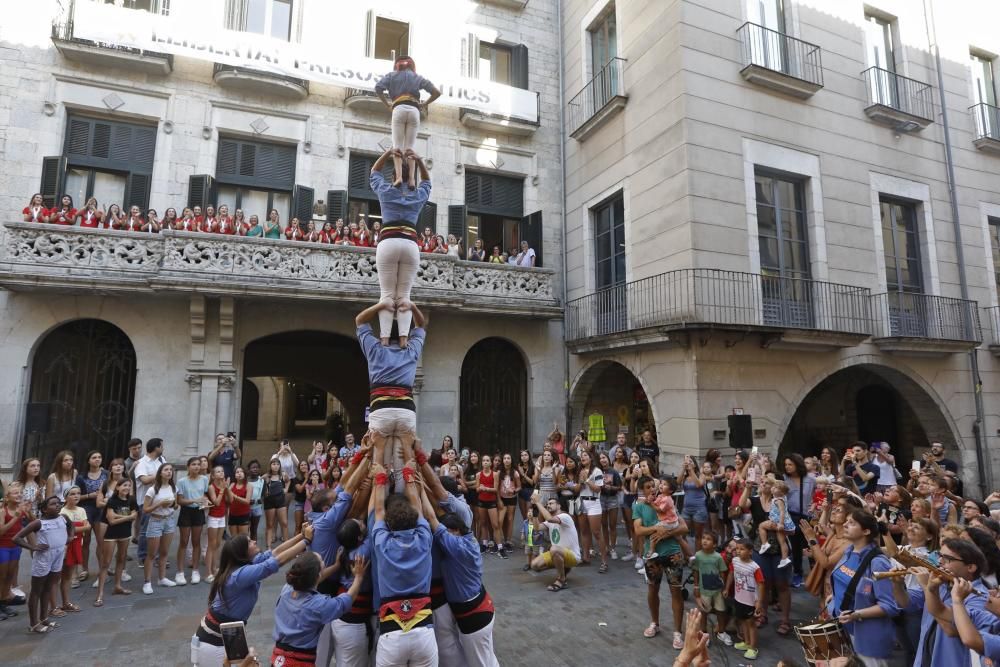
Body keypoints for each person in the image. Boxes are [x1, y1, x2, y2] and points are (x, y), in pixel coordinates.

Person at [191, 531, 312, 665]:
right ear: (242, 552)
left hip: (229, 635)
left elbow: (276, 552)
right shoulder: (239, 575)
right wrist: (306, 541)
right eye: (249, 542)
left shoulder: (247, 563)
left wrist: (302, 535)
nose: (254, 541)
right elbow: (274, 563)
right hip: (213, 643)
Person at [368, 434, 437, 667]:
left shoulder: (383, 544)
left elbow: (378, 509)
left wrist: (379, 477)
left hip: (391, 632)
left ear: (389, 523)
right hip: (424, 630)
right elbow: (418, 508)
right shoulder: (424, 539)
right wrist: (408, 475)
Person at [420, 483, 500, 666]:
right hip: (479, 607)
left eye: (446, 532)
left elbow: (433, 517)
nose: (442, 536)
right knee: (486, 657)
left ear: (455, 530)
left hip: (474, 616)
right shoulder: (466, 537)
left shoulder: (456, 546)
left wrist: (421, 489)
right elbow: (439, 515)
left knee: (479, 662)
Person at [355, 298, 427, 478]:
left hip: (381, 410)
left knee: (380, 463)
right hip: (406, 412)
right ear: (403, 335)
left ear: (383, 335)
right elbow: (421, 325)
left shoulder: (375, 349)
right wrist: (412, 306)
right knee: (405, 464)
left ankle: (380, 489)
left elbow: (360, 320)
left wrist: (381, 305)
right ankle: (407, 495)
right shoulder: (411, 349)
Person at [368, 147, 432, 345]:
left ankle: (385, 340)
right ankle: (404, 339)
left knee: (387, 295)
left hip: (388, 241)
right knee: (405, 295)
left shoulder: (386, 190)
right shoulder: (418, 194)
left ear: (394, 175)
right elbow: (427, 182)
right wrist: (419, 161)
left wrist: (388, 153)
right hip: (410, 244)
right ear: (411, 175)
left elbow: (374, 172)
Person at [826, 510, 900, 665]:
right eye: (846, 521)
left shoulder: (878, 562)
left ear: (866, 531)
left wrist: (856, 614)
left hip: (868, 636)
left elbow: (890, 606)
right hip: (846, 631)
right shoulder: (849, 551)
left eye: (852, 523)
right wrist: (836, 596)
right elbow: (848, 581)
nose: (845, 524)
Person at [271, 550, 369, 667]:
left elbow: (313, 579)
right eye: (322, 561)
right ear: (317, 575)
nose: (324, 562)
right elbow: (345, 601)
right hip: (299, 662)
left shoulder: (287, 589)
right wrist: (358, 577)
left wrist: (335, 566)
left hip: (278, 660)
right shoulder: (317, 605)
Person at [633, 476, 689, 648]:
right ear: (642, 489)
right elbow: (638, 530)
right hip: (653, 556)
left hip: (673, 553)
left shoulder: (665, 501)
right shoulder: (639, 506)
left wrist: (668, 532)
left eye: (653, 486)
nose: (652, 489)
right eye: (648, 487)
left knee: (676, 592)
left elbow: (684, 527)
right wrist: (656, 529)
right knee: (652, 589)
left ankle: (677, 633)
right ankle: (654, 623)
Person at [374, 55, 441, 188]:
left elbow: (378, 88)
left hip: (398, 109)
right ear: (412, 66)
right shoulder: (417, 77)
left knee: (397, 147)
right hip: (414, 111)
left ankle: (398, 177)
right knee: (410, 148)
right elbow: (436, 92)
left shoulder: (391, 75)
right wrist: (424, 104)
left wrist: (387, 104)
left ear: (397, 65)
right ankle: (411, 180)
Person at [15, 496, 72, 633]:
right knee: (37, 590)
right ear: (45, 509)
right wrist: (32, 547)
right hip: (44, 558)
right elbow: (16, 538)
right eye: (53, 504)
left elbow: (71, 525)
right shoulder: (38, 523)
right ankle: (34, 623)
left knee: (49, 587)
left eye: (59, 503)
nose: (58, 505)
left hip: (58, 555)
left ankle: (44, 617)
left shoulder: (63, 517)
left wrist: (70, 536)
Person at [95, 478, 136, 605]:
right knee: (106, 562)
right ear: (117, 487)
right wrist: (127, 517)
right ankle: (100, 593)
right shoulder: (112, 501)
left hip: (125, 533)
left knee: (121, 559)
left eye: (129, 486)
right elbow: (111, 521)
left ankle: (117, 586)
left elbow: (134, 516)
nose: (127, 488)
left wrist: (120, 516)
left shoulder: (132, 500)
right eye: (124, 485)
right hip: (111, 534)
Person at [528, 492, 580, 592]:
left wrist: (538, 502)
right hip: (558, 553)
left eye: (551, 503)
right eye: (547, 504)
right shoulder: (550, 521)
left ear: (559, 505)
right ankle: (563, 567)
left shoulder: (565, 516)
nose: (548, 506)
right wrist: (534, 516)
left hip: (573, 556)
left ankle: (561, 579)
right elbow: (537, 527)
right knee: (534, 565)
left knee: (554, 548)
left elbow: (550, 518)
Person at [142, 462, 177, 595]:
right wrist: (160, 504)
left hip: (169, 520)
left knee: (164, 552)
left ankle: (162, 578)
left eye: (170, 470)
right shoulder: (152, 489)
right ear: (160, 473)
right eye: (166, 470)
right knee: (151, 554)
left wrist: (172, 504)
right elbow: (145, 509)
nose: (169, 472)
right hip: (156, 520)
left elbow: (176, 506)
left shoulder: (173, 488)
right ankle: (147, 582)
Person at [727, 538, 764, 661]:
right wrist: (727, 588)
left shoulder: (755, 567)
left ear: (750, 551)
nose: (738, 551)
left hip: (750, 601)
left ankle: (753, 648)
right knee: (742, 620)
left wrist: (759, 602)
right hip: (739, 598)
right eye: (737, 548)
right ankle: (747, 642)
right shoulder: (735, 561)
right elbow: (731, 574)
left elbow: (761, 584)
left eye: (742, 549)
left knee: (751, 624)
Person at [692, 531, 732, 645]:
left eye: (708, 539)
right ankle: (704, 633)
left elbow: (722, 572)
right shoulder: (698, 555)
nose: (704, 540)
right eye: (703, 538)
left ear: (714, 544)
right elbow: (695, 570)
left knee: (721, 610)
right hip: (704, 590)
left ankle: (721, 631)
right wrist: (696, 586)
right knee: (704, 612)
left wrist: (724, 588)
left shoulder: (718, 557)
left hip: (717, 590)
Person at [175, 456, 209, 586]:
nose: (196, 467)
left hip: (198, 511)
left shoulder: (204, 479)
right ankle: (180, 572)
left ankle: (195, 570)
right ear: (188, 466)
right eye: (194, 464)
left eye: (198, 464)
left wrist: (205, 502)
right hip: (186, 511)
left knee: (196, 541)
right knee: (183, 541)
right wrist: (194, 500)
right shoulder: (182, 481)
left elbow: (204, 495)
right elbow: (180, 500)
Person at [75, 450, 108, 581]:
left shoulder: (106, 474)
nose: (97, 459)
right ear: (88, 460)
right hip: (86, 509)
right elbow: (76, 495)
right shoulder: (81, 476)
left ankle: (102, 569)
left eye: (99, 457)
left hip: (101, 509)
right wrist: (90, 495)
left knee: (101, 540)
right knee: (86, 541)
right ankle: (84, 569)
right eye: (94, 457)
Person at [133, 438, 166, 564]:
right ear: (156, 448)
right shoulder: (142, 463)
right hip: (146, 501)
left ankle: (155, 555)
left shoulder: (162, 461)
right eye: (161, 446)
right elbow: (144, 480)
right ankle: (143, 556)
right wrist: (160, 475)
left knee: (159, 530)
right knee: (145, 530)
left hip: (161, 500)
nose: (163, 449)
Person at [57, 486, 88, 612]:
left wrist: (75, 528)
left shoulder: (81, 510)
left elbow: (88, 526)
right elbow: (71, 530)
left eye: (78, 493)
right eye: (72, 494)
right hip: (66, 546)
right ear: (65, 497)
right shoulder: (62, 512)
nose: (76, 496)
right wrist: (79, 528)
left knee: (68, 575)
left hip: (76, 545)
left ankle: (66, 602)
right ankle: (59, 603)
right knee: (61, 576)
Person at [0, 483, 26, 618]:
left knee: (10, 575)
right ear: (7, 497)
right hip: (3, 547)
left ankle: (4, 599)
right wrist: (15, 517)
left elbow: (30, 522)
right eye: (15, 493)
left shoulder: (19, 509)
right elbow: (1, 531)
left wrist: (27, 511)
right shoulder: (3, 511)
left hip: (15, 547)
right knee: (1, 576)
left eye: (20, 492)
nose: (19, 495)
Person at [758, 480, 795, 569]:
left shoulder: (778, 500)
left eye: (776, 488)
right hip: (779, 522)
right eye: (773, 486)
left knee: (761, 526)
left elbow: (782, 512)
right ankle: (784, 558)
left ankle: (764, 544)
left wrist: (781, 523)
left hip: (777, 522)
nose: (773, 488)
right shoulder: (782, 498)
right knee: (782, 541)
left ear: (781, 492)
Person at [262, 458, 290, 548]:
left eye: (277, 464)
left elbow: (289, 481)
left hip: (281, 501)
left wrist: (286, 489)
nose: (276, 466)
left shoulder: (283, 475)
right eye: (273, 464)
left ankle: (287, 546)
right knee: (270, 524)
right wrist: (264, 491)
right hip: (269, 502)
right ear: (270, 465)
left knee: (284, 523)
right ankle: (269, 547)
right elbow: (258, 483)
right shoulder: (266, 476)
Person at [228, 467, 253, 537]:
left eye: (241, 472)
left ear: (245, 474)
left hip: (243, 515)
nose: (239, 473)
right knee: (234, 538)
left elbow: (247, 501)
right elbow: (228, 498)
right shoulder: (232, 484)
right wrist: (226, 488)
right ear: (234, 475)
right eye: (237, 472)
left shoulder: (248, 485)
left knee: (243, 538)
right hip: (232, 514)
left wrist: (235, 496)